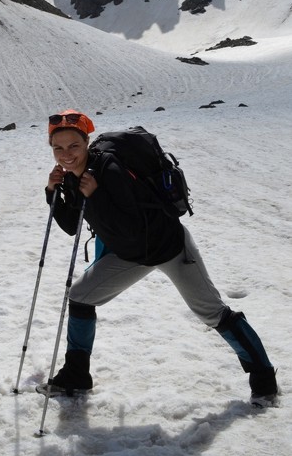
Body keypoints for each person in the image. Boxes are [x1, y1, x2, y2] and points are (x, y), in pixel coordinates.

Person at [36, 109, 278, 407]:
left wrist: (96, 196)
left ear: (86, 142)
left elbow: (134, 228)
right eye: (58, 148)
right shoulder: (74, 177)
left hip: (168, 247)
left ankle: (264, 379)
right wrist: (52, 192)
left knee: (212, 312)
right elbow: (71, 226)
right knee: (81, 296)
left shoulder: (108, 169)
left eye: (73, 146)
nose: (65, 154)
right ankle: (76, 375)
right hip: (130, 255)